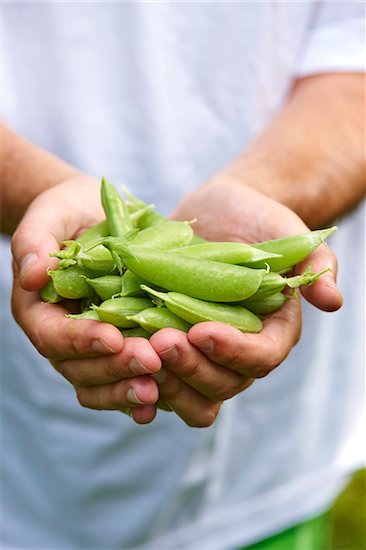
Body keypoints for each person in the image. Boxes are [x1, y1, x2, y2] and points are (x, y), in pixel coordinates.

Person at [0, 2, 364, 549]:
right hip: (26, 473)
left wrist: (269, 191)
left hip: (271, 464)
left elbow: (352, 75)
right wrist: (30, 191)